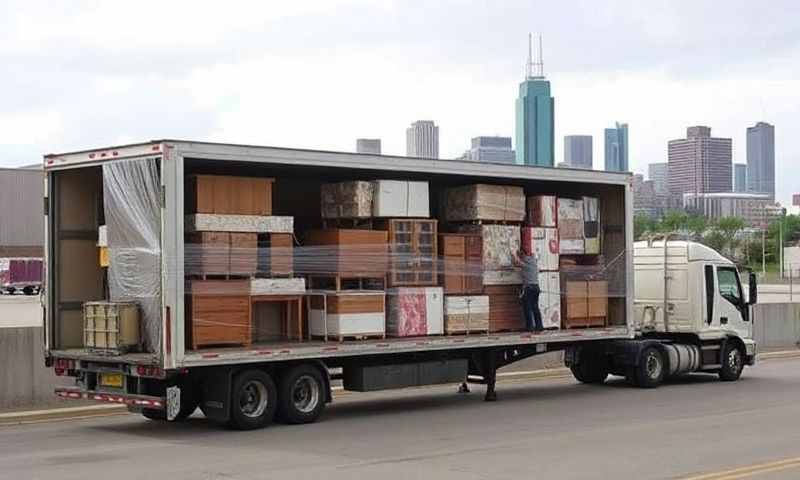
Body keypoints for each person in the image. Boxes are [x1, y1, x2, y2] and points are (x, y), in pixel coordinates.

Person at [513, 247, 543, 332]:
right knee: (535, 307)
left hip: (528, 288)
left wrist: (513, 254)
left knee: (527, 308)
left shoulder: (525, 262)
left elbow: (516, 262)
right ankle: (539, 326)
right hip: (536, 287)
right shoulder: (533, 261)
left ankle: (530, 327)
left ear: (523, 255)